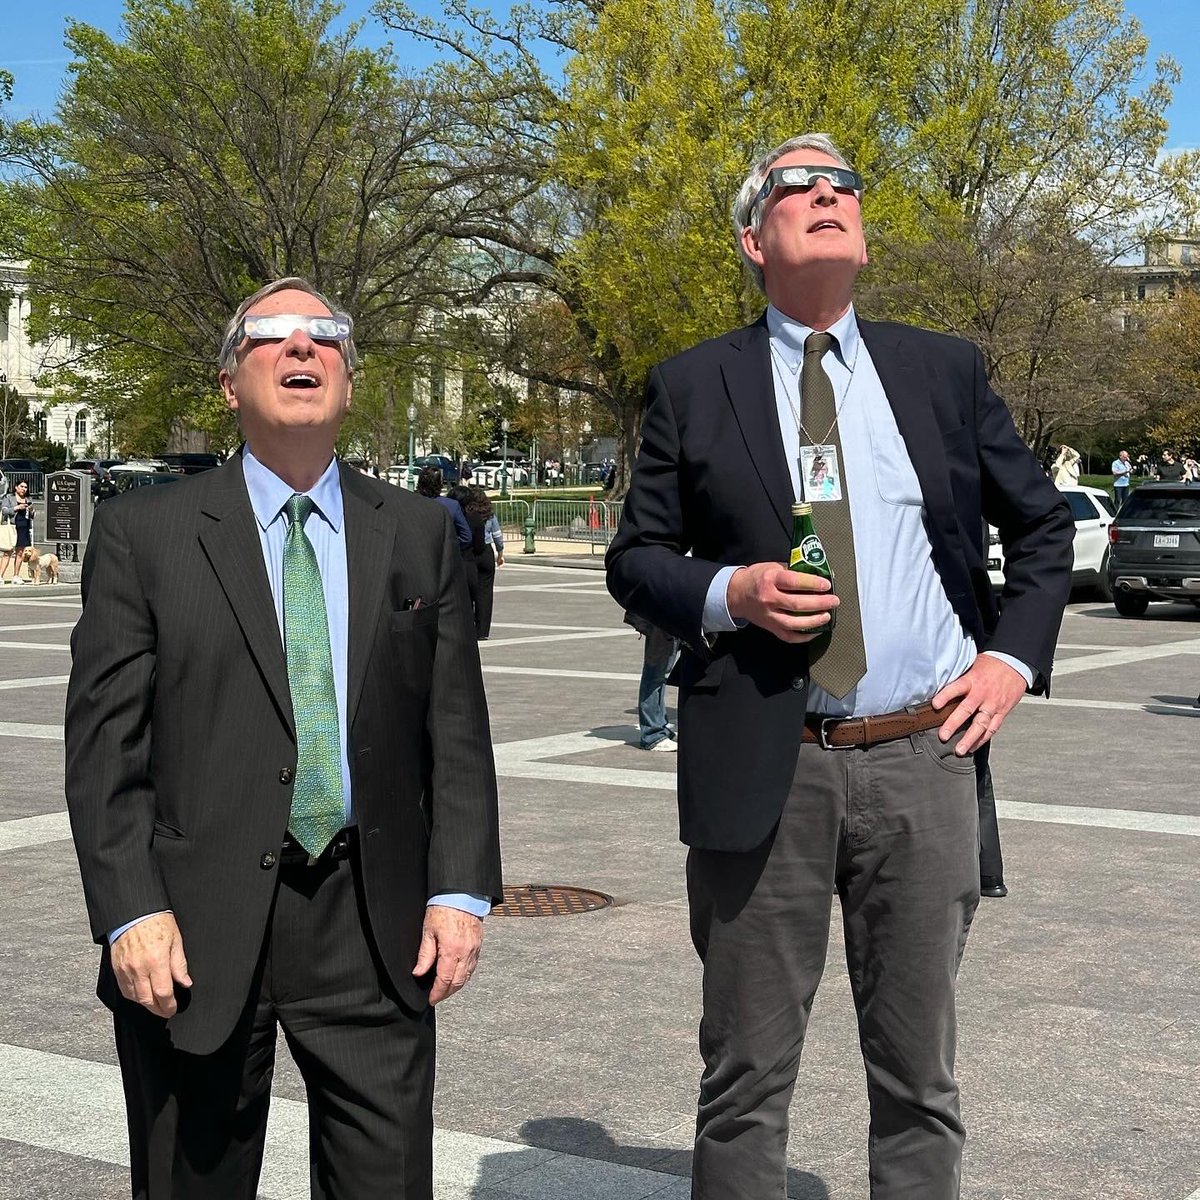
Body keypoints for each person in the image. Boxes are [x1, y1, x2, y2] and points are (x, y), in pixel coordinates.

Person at [606, 133, 1074, 1199]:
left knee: (918, 1079)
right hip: (766, 760)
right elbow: (634, 562)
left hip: (923, 754)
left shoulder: (941, 370)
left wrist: (1009, 660)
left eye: (843, 183)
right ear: (752, 238)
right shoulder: (692, 385)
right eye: (795, 184)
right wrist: (733, 593)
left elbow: (1042, 531)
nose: (827, 192)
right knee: (743, 1079)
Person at [65, 278, 502, 1200]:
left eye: (325, 337)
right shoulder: (145, 533)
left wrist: (461, 889)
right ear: (231, 383)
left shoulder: (418, 531)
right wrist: (130, 910)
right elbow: (106, 746)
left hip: (372, 925)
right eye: (272, 335)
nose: (302, 349)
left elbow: (455, 728)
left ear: (349, 381)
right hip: (194, 930)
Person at [623, 610, 679, 751]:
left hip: (670, 616)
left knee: (660, 674)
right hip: (660, 617)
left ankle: (659, 728)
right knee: (655, 674)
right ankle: (653, 734)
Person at [467, 486, 504, 639]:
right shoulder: (489, 515)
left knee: (468, 591)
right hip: (487, 552)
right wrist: (500, 553)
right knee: (485, 592)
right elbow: (497, 536)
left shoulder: (467, 515)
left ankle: (468, 626)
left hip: (470, 552)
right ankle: (482, 630)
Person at [1, 479, 34, 583]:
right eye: (21, 486)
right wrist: (17, 507)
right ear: (16, 487)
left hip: (24, 528)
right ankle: (1, 575)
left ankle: (16, 576)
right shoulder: (9, 498)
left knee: (20, 553)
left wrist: (32, 511)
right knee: (8, 552)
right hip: (13, 527)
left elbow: (32, 516)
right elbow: (4, 511)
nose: (24, 489)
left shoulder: (28, 499)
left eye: (25, 487)